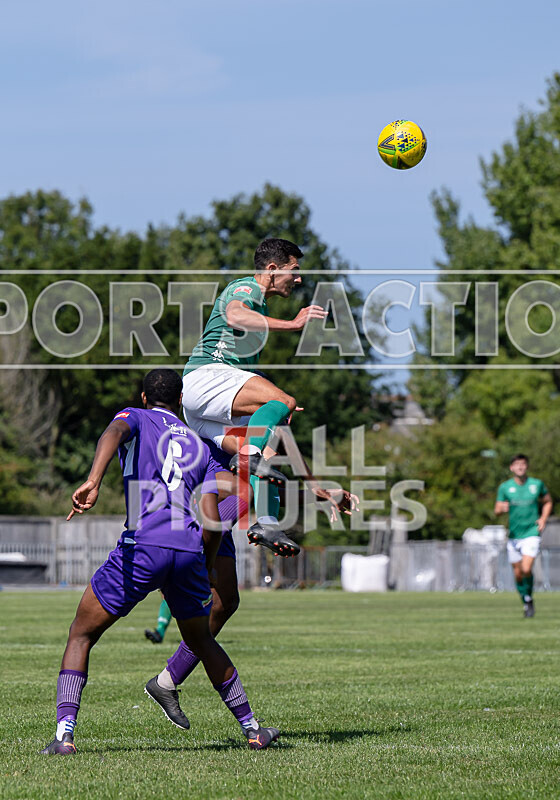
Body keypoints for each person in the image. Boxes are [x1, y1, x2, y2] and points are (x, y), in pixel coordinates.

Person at [41, 368, 279, 754]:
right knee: (202, 639)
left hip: (144, 546)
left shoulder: (133, 417)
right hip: (187, 549)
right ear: (181, 400)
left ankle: (64, 736)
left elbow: (113, 433)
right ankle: (253, 730)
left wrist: (94, 479)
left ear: (144, 397)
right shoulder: (201, 447)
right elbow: (214, 513)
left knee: (81, 634)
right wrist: (207, 560)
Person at [181, 237, 329, 557]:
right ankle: (251, 461)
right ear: (272, 270)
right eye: (295, 270)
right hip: (208, 377)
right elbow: (235, 315)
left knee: (270, 450)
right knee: (279, 409)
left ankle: (265, 523)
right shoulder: (248, 288)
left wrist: (312, 481)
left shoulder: (259, 299)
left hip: (203, 405)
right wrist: (292, 325)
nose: (299, 278)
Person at [495, 454, 552, 618]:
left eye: (523, 464)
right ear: (511, 468)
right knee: (518, 573)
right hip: (513, 535)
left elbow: (547, 501)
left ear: (527, 466)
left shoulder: (536, 484)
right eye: (517, 464)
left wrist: (543, 518)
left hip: (531, 533)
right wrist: (501, 509)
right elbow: (497, 509)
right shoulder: (505, 487)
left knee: (526, 568)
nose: (520, 467)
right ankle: (526, 600)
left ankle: (528, 599)